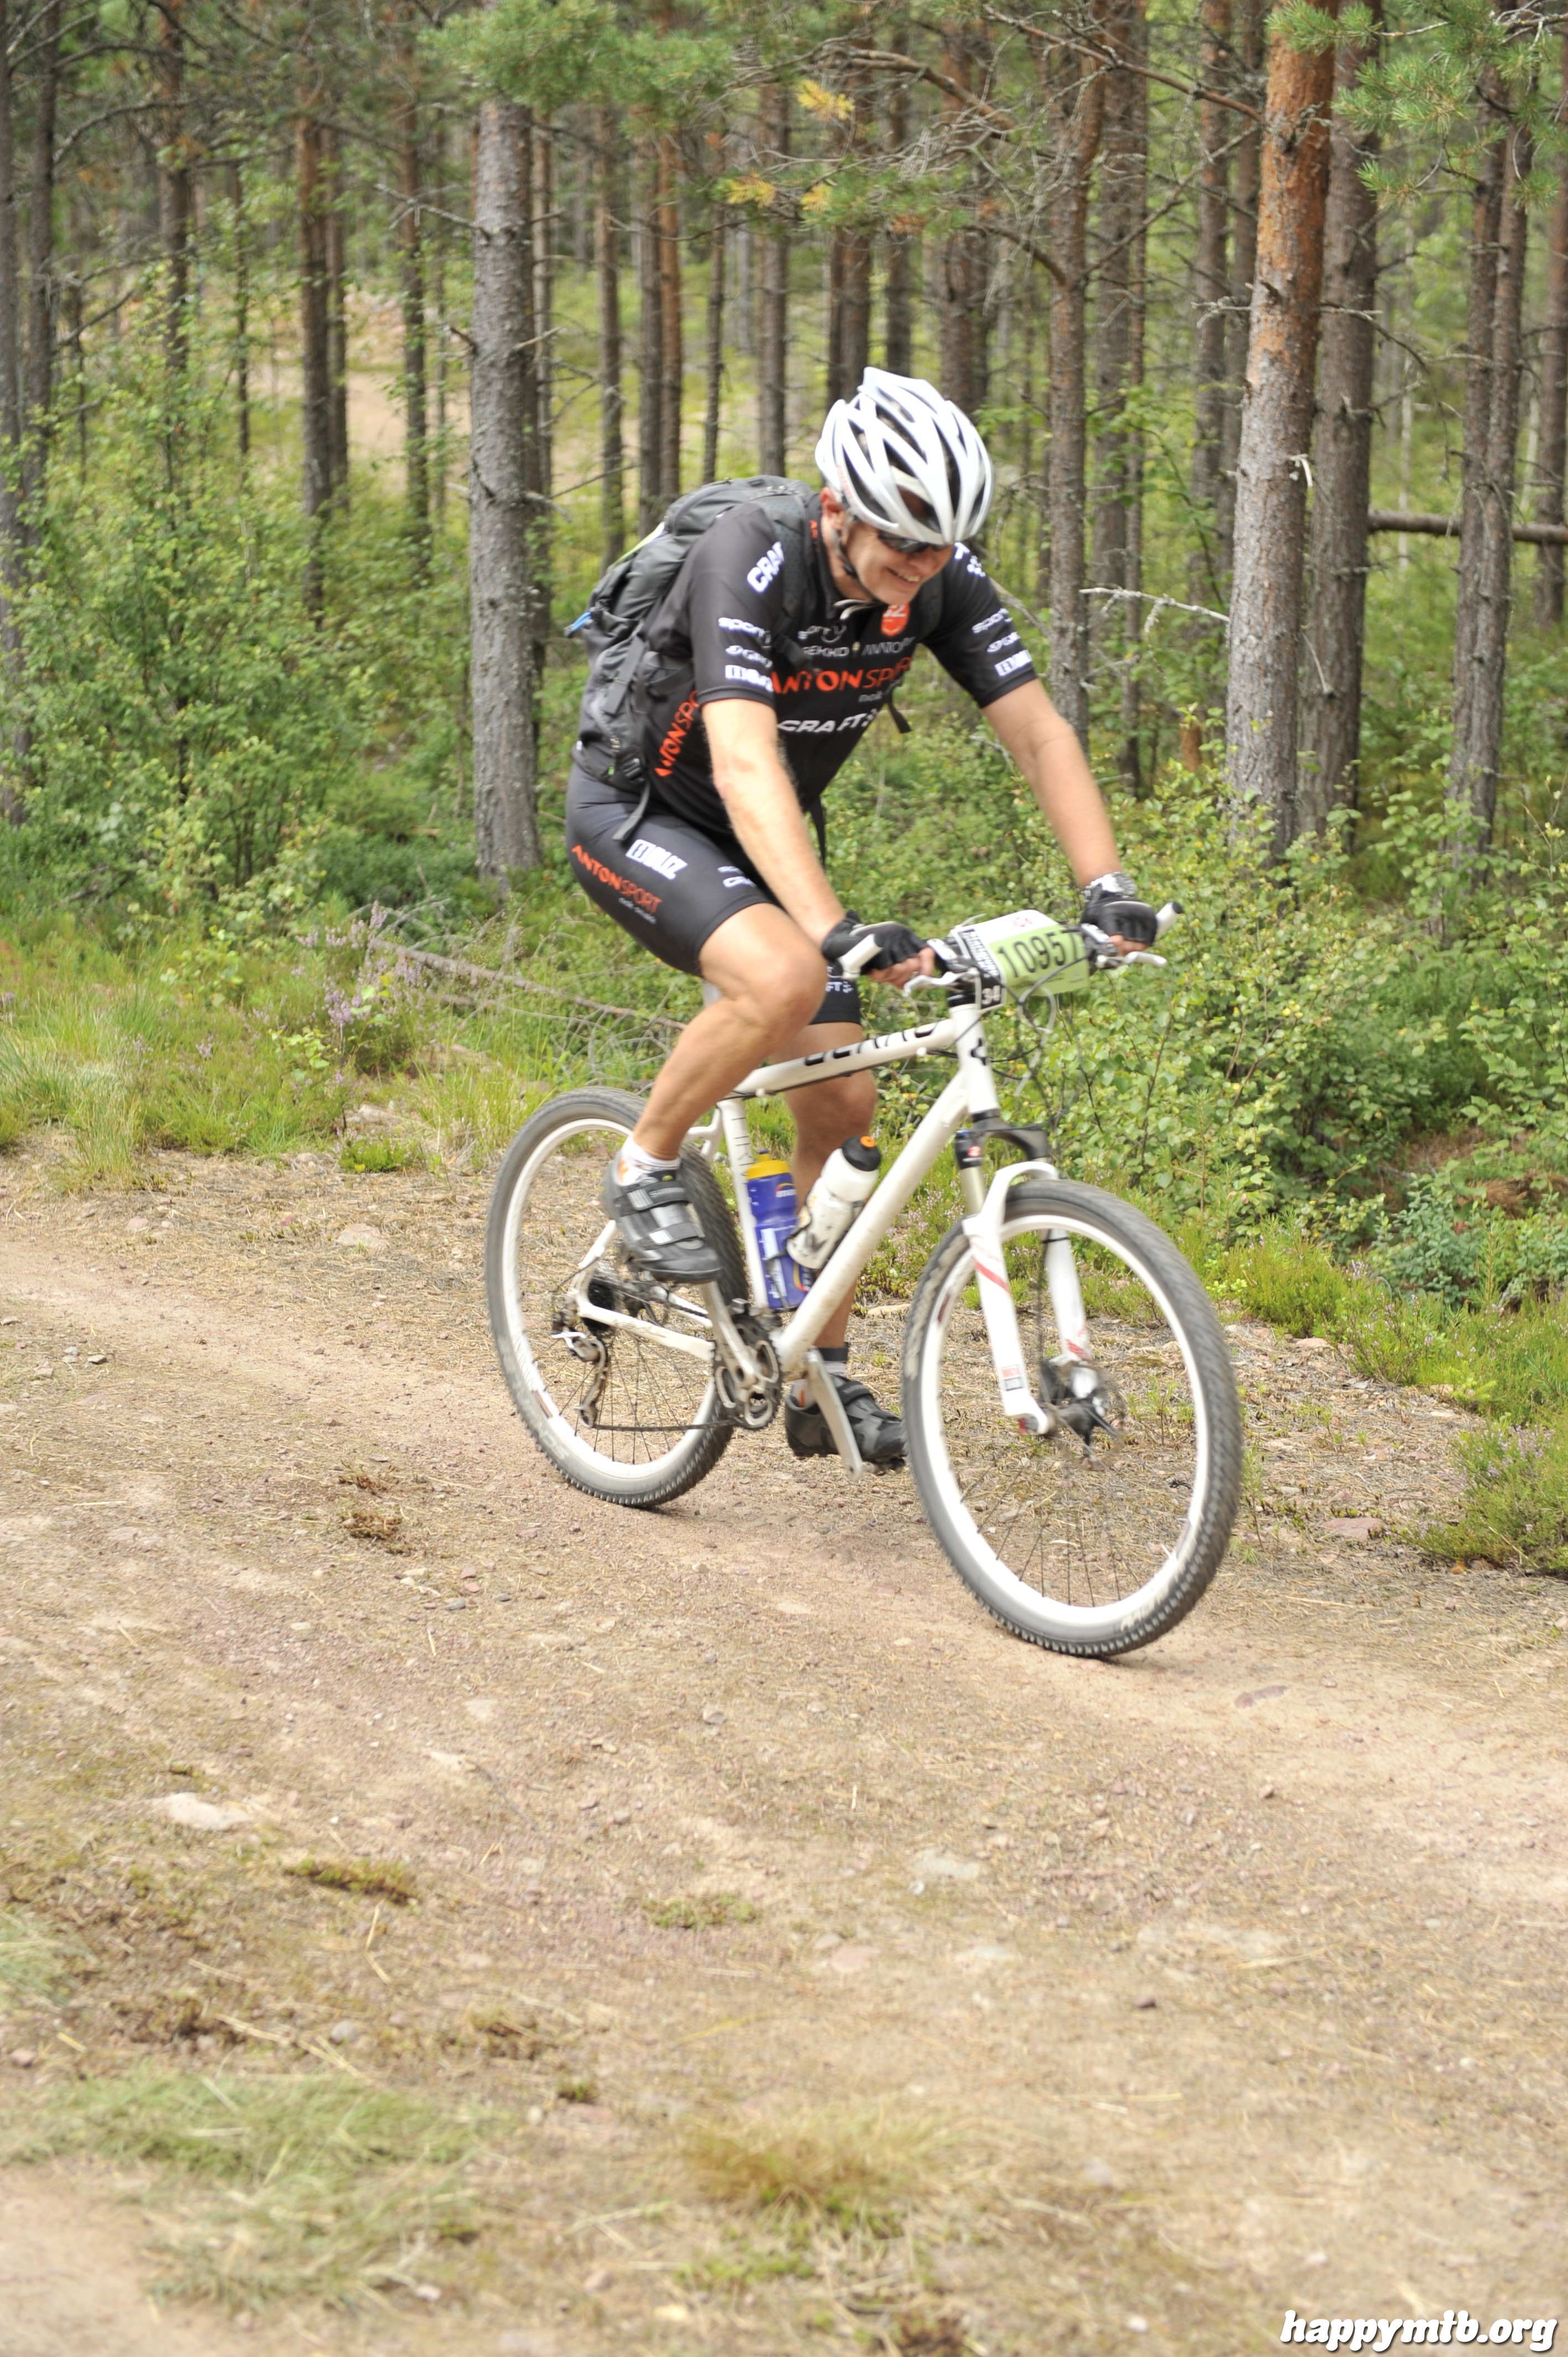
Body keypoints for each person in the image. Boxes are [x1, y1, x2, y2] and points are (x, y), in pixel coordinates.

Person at [565, 368, 1157, 1468]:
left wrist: (1105, 886)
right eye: (904, 544)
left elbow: (1038, 733)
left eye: (942, 549)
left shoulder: (939, 580)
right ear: (839, 507)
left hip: (766, 838)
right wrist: (834, 928)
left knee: (844, 1102)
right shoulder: (751, 552)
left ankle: (815, 1374)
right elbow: (744, 763)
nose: (921, 570)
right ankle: (644, 1165)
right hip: (640, 813)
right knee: (785, 976)